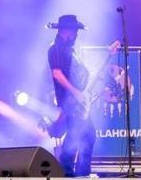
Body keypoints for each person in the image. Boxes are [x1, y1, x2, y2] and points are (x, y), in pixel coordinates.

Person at [47, 14, 95, 177]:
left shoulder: (71, 51)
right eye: (75, 31)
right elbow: (57, 74)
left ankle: (78, 173)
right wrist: (76, 93)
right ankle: (69, 173)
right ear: (65, 31)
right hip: (69, 101)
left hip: (74, 101)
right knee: (80, 135)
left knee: (83, 134)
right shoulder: (55, 49)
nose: (76, 34)